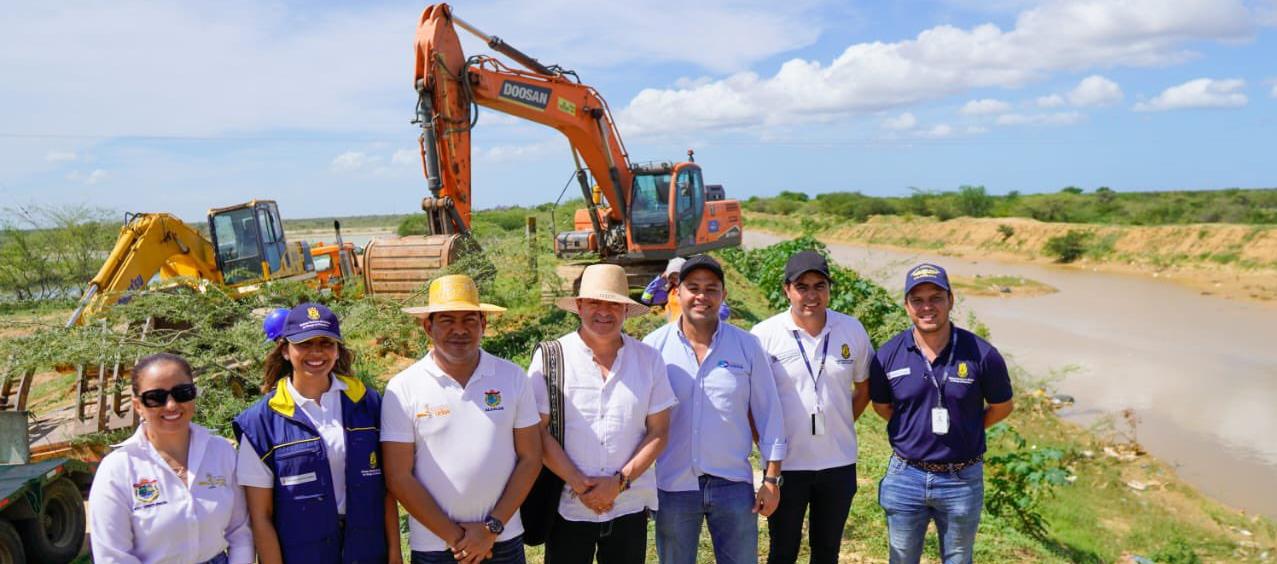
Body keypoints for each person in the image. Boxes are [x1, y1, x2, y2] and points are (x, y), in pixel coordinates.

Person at [381, 274, 543, 564]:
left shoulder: (512, 377)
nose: (460, 330)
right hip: (435, 546)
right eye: (447, 320)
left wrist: (491, 528)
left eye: (469, 319)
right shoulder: (403, 387)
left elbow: (530, 458)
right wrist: (458, 538)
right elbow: (398, 476)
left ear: (484, 324)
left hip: (502, 539)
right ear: (427, 326)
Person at [642, 255, 787, 564]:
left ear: (723, 295)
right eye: (693, 287)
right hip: (673, 484)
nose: (701, 296)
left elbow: (769, 414)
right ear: (677, 292)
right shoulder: (653, 347)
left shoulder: (747, 346)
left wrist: (771, 480)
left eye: (711, 289)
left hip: (733, 485)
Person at [233, 303, 401, 564]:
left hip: (368, 551)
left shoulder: (368, 404)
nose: (316, 352)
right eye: (305, 343)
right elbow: (261, 516)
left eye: (326, 343)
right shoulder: (260, 423)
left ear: (337, 350)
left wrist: (394, 555)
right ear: (285, 350)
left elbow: (387, 490)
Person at [869, 264, 1015, 563]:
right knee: (902, 558)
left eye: (935, 297)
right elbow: (882, 407)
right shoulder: (887, 354)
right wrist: (914, 430)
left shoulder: (982, 353)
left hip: (961, 480)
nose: (927, 307)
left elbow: (1003, 406)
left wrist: (969, 428)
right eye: (917, 300)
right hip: (905, 476)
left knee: (959, 558)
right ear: (907, 305)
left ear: (951, 299)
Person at [532, 264, 677, 564]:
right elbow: (537, 431)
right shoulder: (550, 357)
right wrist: (579, 483)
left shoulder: (648, 360)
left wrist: (618, 483)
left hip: (628, 505)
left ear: (625, 310)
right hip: (567, 506)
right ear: (580, 306)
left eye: (614, 304)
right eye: (595, 302)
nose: (604, 312)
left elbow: (659, 431)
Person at [750, 251, 874, 564]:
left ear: (829, 289)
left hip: (838, 462)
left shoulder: (851, 330)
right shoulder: (764, 335)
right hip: (786, 465)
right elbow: (753, 403)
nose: (811, 294)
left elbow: (864, 387)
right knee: (782, 551)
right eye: (802, 286)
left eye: (820, 285)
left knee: (827, 552)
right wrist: (766, 445)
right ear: (786, 290)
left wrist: (841, 421)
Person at [89, 352, 254, 564]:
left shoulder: (222, 452)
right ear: (138, 405)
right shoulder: (117, 469)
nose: (171, 405)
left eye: (182, 393)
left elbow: (240, 531)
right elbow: (113, 557)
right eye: (156, 397)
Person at [640, 257, 729, 323]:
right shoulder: (670, 292)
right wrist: (661, 279)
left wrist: (701, 320)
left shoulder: (697, 291)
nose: (676, 280)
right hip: (675, 332)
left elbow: (724, 311)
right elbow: (646, 298)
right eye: (672, 277)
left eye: (678, 276)